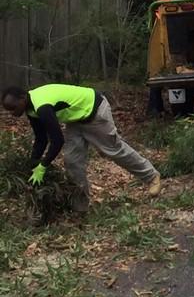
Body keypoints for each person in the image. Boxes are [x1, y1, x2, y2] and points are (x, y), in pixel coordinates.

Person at [1, 83, 162, 212]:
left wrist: (43, 166)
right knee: (72, 161)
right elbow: (41, 139)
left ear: (22, 97)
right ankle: (80, 207)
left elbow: (57, 140)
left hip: (94, 111)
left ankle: (151, 176)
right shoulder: (31, 109)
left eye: (14, 108)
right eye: (8, 111)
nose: (13, 113)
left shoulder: (42, 105)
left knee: (114, 150)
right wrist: (32, 163)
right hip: (75, 120)